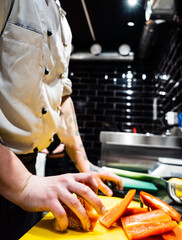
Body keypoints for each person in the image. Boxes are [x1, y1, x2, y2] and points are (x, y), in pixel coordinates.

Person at [0, 1, 123, 239]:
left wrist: (86, 167)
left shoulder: (62, 22)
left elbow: (61, 96)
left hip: (29, 172)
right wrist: (23, 183)